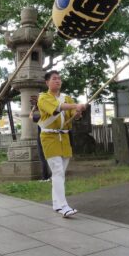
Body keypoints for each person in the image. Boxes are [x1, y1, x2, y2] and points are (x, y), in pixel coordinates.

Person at [37, 70, 87, 217]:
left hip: (64, 138)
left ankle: (56, 204)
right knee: (58, 170)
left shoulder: (67, 98)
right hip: (49, 137)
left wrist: (78, 112)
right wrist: (75, 105)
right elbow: (58, 108)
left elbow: (74, 116)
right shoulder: (43, 97)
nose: (57, 81)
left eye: (59, 79)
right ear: (47, 82)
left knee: (60, 173)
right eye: (54, 79)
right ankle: (64, 206)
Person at [29, 104, 51, 182]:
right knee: (51, 158)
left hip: (42, 138)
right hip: (51, 138)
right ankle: (51, 175)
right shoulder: (51, 116)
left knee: (43, 158)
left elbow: (30, 117)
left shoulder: (41, 117)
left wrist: (33, 110)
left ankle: (45, 177)